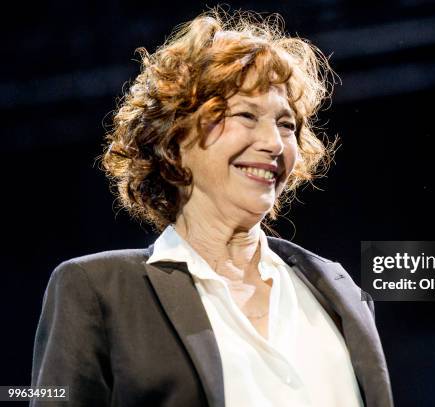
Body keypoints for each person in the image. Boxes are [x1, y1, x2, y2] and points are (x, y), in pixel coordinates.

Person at [30, 9, 393, 407]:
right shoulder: (99, 291)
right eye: (246, 115)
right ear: (175, 137)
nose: (273, 143)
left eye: (287, 125)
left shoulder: (338, 294)